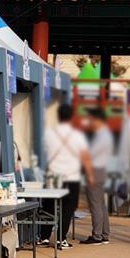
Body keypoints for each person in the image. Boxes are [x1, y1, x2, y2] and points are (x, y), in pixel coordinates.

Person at [40, 103, 93, 249]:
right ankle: (60, 239)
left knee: (49, 205)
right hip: (71, 177)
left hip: (53, 175)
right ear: (72, 117)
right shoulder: (77, 135)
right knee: (67, 208)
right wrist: (89, 174)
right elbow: (85, 156)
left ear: (58, 116)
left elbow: (46, 151)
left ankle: (43, 237)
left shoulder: (49, 133)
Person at [82, 107, 114, 245]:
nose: (90, 122)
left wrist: (89, 174)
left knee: (95, 204)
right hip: (102, 169)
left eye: (91, 119)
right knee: (101, 204)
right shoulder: (106, 134)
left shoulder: (101, 135)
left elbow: (90, 156)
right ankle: (104, 233)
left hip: (95, 170)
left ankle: (97, 235)